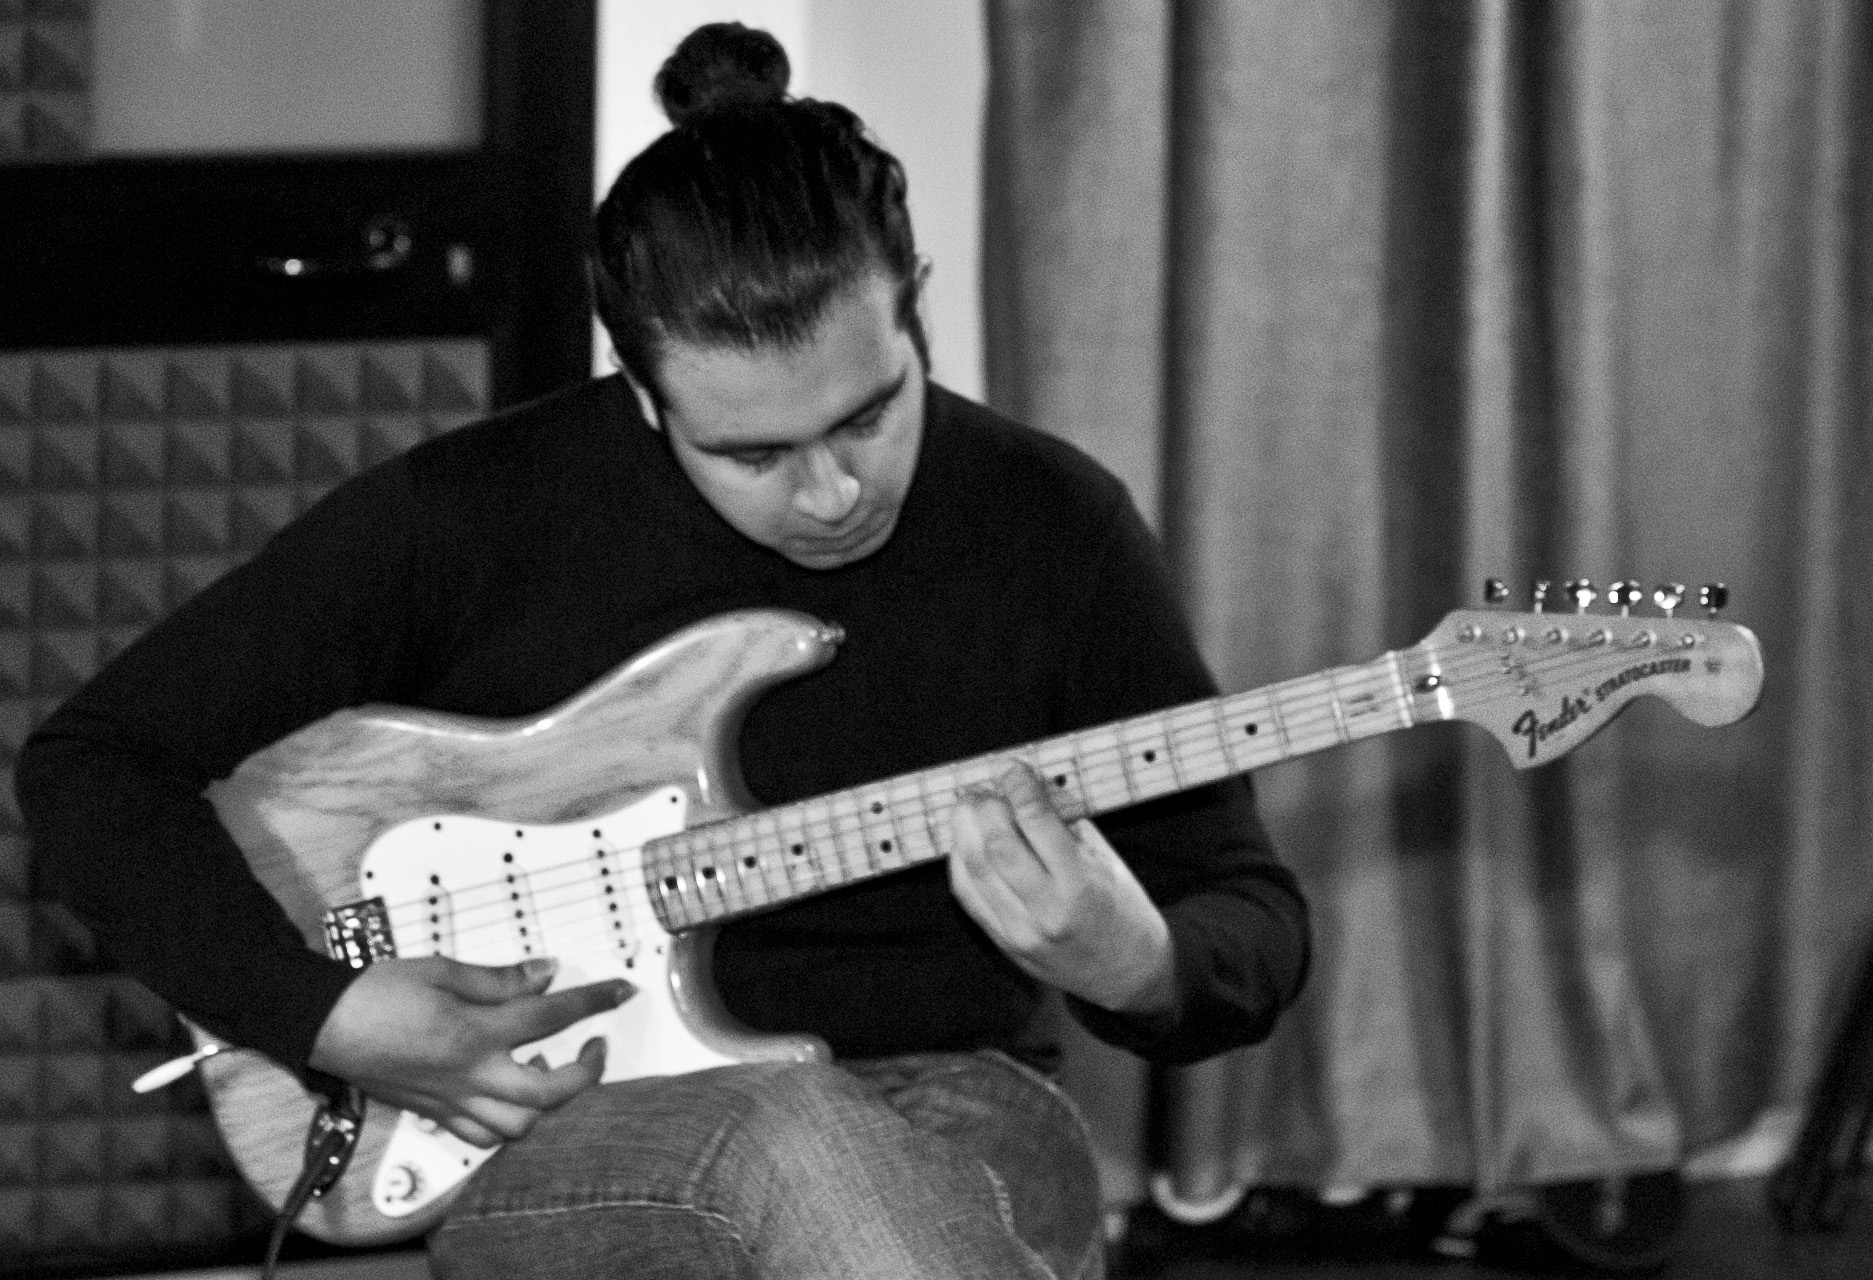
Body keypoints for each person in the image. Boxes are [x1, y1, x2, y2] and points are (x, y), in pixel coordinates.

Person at [16, 23, 1309, 1280]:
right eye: (753, 454)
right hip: (572, 1125)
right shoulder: (469, 515)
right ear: (640, 391)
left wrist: (1136, 961)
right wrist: (328, 1015)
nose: (831, 493)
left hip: (957, 1091)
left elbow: (1244, 912)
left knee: (919, 1174)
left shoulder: (1050, 521)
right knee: (787, 1133)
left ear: (913, 301)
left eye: (870, 414)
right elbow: (94, 764)